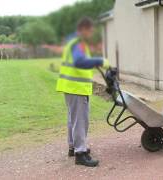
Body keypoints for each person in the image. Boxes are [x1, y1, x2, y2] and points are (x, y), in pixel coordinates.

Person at [56, 17, 109, 167]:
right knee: (80, 121)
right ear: (84, 29)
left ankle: (73, 147)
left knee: (72, 119)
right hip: (76, 88)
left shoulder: (73, 42)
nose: (91, 33)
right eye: (90, 30)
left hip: (71, 87)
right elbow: (79, 62)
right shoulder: (78, 43)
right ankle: (81, 153)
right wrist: (100, 61)